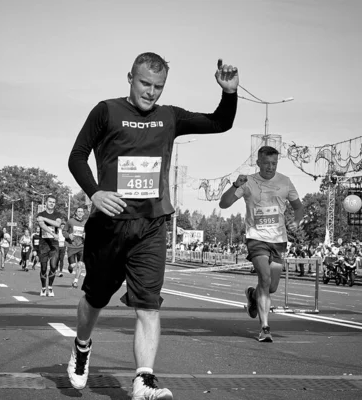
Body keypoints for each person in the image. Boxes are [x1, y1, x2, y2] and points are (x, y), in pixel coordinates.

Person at [67, 52, 238, 398]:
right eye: (145, 83)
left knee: (148, 304)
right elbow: (76, 156)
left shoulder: (169, 117)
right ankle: (82, 346)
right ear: (129, 76)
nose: (151, 92)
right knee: (95, 299)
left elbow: (220, 122)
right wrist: (95, 193)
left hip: (151, 225)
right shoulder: (107, 111)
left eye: (158, 87)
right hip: (109, 225)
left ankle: (143, 379)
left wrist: (229, 93)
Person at [220, 145, 304, 343]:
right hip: (256, 237)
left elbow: (299, 208)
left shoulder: (285, 182)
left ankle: (253, 295)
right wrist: (234, 186)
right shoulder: (248, 182)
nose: (270, 167)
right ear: (258, 163)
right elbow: (223, 204)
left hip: (278, 240)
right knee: (264, 278)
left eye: (274, 163)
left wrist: (297, 220)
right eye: (266, 163)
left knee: (271, 286)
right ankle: (265, 328)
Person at [36, 195, 63, 297]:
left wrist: (45, 219)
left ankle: (50, 287)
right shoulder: (40, 214)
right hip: (43, 244)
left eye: (53, 202)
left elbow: (57, 224)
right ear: (46, 203)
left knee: (53, 266)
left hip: (54, 244)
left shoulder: (57, 214)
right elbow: (42, 225)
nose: (52, 203)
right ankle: (43, 287)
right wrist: (53, 234)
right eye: (50, 202)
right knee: (43, 268)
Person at [65, 207, 86, 288]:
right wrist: (68, 235)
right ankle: (70, 266)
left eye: (82, 211)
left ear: (83, 213)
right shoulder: (70, 221)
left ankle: (75, 281)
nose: (80, 213)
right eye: (79, 211)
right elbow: (64, 231)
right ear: (76, 213)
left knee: (80, 265)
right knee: (73, 265)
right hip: (71, 246)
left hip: (81, 246)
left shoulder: (85, 222)